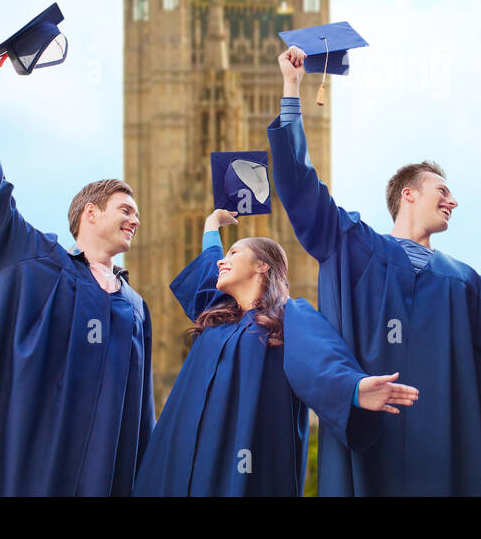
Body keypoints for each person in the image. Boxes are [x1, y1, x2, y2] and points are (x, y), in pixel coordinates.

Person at [267, 46, 481, 496]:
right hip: (371, 439)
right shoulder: (351, 245)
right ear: (408, 194)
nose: (453, 201)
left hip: (450, 452)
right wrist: (291, 89)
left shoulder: (469, 284)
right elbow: (301, 187)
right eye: (442, 189)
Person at [0, 51, 154, 496]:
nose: (135, 220)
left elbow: (140, 414)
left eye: (137, 214)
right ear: (90, 213)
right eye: (125, 210)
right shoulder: (37, 261)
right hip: (29, 463)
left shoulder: (135, 307)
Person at [134, 208, 419, 496]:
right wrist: (211, 225)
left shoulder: (285, 318)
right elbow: (210, 269)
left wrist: (354, 389)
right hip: (180, 462)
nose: (223, 260)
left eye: (234, 253)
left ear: (262, 266)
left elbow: (319, 360)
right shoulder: (217, 317)